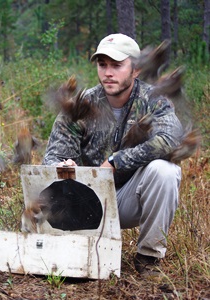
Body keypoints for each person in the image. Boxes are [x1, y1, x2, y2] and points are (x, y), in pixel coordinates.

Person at [43, 33, 183, 279]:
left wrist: (118, 162)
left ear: (136, 69)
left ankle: (148, 259)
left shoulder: (154, 99)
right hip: (87, 201)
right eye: (102, 65)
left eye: (117, 65)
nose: (108, 73)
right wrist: (64, 165)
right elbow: (53, 155)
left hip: (130, 199)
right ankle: (73, 254)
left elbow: (171, 140)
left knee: (165, 171)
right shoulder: (82, 104)